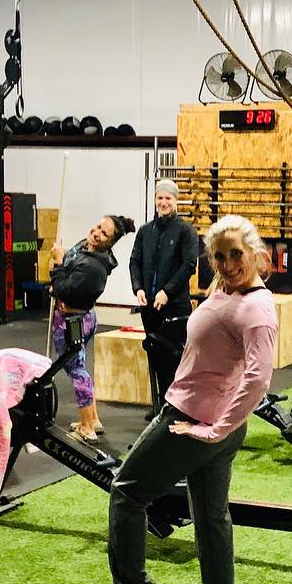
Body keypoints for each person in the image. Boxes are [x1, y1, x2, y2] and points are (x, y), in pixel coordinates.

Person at [108, 214, 279, 584]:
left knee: (126, 491)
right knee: (210, 521)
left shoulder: (256, 309)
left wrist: (217, 429)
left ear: (255, 253)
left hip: (193, 420)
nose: (228, 264)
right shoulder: (228, 290)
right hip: (208, 420)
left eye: (236, 254)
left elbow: (259, 379)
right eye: (219, 257)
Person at [49, 214, 136, 441]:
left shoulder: (94, 267)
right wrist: (62, 258)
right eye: (98, 227)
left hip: (73, 321)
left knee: (77, 371)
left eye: (104, 233)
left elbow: (63, 290)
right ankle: (93, 419)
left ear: (110, 242)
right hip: (79, 318)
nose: (96, 233)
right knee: (80, 368)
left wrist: (57, 265)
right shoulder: (86, 247)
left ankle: (87, 428)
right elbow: (69, 266)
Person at [128, 178, 200, 418]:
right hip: (149, 307)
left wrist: (167, 291)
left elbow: (189, 265)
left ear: (176, 201)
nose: (163, 202)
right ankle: (160, 403)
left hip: (175, 306)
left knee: (176, 357)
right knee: (156, 355)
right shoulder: (145, 231)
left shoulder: (186, 231)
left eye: (168, 198)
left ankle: (178, 405)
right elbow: (134, 261)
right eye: (160, 197)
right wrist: (138, 288)